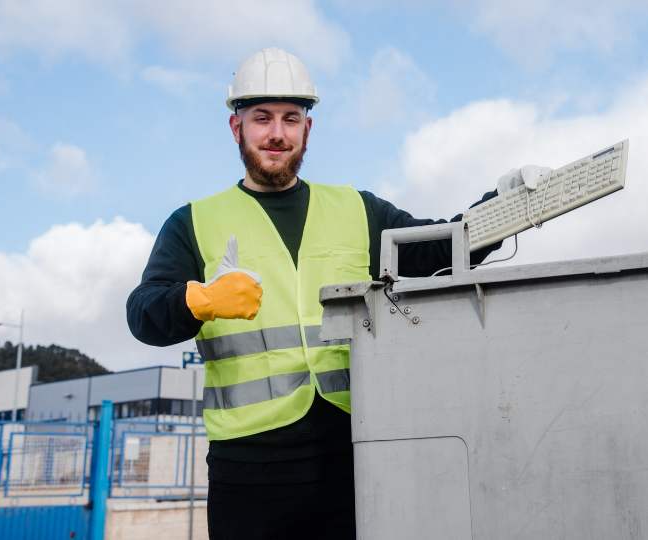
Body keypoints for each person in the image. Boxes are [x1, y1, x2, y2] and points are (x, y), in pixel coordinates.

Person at [126, 48, 517, 539]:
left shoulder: (356, 209)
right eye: (261, 118)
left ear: (308, 129)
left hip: (350, 454)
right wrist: (198, 300)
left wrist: (505, 207)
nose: (277, 133)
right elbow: (141, 315)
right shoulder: (193, 223)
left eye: (291, 119)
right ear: (236, 128)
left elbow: (437, 249)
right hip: (249, 470)